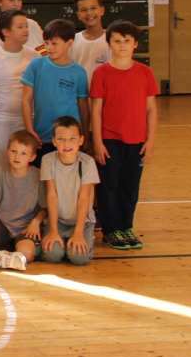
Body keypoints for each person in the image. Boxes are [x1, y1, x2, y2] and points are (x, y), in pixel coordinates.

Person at [90, 20, 158, 250]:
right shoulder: (101, 73)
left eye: (127, 41)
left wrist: (150, 140)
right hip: (110, 140)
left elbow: (151, 109)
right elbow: (96, 110)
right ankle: (111, 230)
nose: (122, 45)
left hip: (137, 140)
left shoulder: (145, 73)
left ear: (135, 44)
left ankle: (126, 226)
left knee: (130, 186)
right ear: (109, 43)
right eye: (117, 41)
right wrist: (97, 142)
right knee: (109, 185)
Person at [21, 18, 89, 163]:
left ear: (69, 43)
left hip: (70, 139)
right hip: (42, 137)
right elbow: (26, 100)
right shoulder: (36, 65)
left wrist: (85, 135)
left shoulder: (79, 72)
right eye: (46, 43)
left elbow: (83, 106)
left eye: (54, 43)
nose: (49, 47)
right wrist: (29, 129)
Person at [0, 131, 43, 268]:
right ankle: (5, 256)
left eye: (23, 153)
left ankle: (9, 253)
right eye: (13, 151)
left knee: (27, 254)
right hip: (2, 225)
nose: (17, 156)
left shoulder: (38, 176)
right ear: (7, 152)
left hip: (26, 227)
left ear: (32, 157)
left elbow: (45, 209)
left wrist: (36, 222)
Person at [0, 9, 38, 170]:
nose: (26, 30)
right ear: (5, 31)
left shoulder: (35, 56)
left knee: (25, 169)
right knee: (0, 169)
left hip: (28, 120)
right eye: (20, 27)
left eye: (26, 26)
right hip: (1, 122)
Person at [40, 117, 99, 265]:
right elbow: (51, 196)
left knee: (79, 258)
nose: (67, 144)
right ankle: (61, 243)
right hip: (58, 220)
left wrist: (78, 233)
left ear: (81, 140)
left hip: (82, 221)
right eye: (61, 139)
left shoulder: (88, 163)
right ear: (54, 141)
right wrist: (53, 230)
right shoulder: (47, 160)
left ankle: (76, 242)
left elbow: (84, 199)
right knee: (52, 256)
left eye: (72, 139)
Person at [70, 0, 109, 84]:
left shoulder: (113, 39)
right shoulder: (72, 41)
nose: (89, 13)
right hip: (79, 93)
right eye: (84, 10)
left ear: (102, 10)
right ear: (78, 15)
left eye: (93, 8)